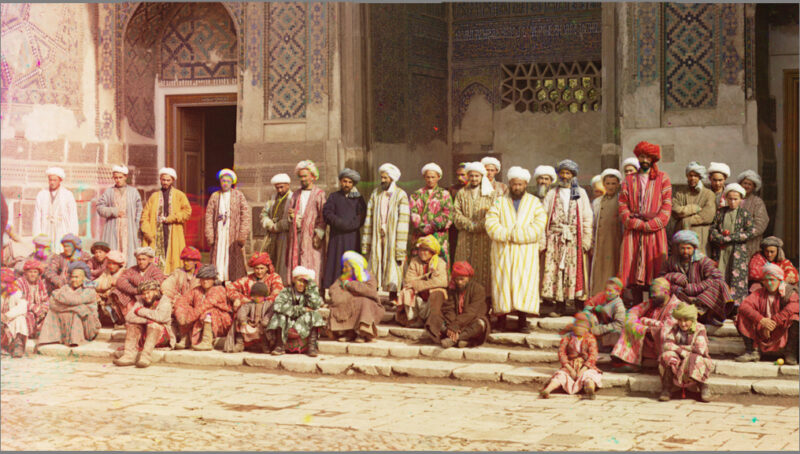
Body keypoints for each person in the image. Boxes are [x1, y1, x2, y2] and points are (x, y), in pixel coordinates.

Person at [486, 166, 547, 332]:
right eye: (514, 184)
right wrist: (506, 234)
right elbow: (491, 222)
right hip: (503, 250)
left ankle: (522, 321)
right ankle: (501, 320)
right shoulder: (499, 201)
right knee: (502, 283)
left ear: (526, 184)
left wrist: (519, 236)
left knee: (524, 283)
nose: (517, 187)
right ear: (510, 184)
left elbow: (539, 224)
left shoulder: (534, 203)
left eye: (520, 184)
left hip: (524, 252)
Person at [618, 142, 673, 295]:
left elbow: (667, 205)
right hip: (633, 230)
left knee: (655, 266)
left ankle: (654, 303)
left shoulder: (663, 179)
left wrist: (652, 224)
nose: (644, 160)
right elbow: (622, 203)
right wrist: (633, 222)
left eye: (647, 157)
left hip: (654, 232)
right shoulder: (629, 180)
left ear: (653, 159)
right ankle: (632, 303)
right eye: (641, 156)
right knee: (631, 266)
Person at [540, 160, 593, 317]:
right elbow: (543, 217)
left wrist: (586, 239)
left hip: (574, 239)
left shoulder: (579, 193)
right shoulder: (552, 193)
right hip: (555, 239)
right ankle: (560, 306)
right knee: (557, 271)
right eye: (562, 173)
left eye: (568, 173)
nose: (564, 176)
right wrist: (543, 239)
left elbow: (586, 216)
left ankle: (578, 306)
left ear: (573, 175)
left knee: (576, 271)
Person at [660, 230, 732, 326]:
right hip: (682, 297)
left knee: (720, 284)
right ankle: (681, 316)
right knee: (661, 286)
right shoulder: (672, 261)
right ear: (678, 248)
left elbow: (716, 278)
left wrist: (695, 288)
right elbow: (660, 278)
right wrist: (672, 276)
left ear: (694, 248)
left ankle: (706, 316)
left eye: (688, 248)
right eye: (682, 248)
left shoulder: (703, 261)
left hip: (702, 300)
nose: (685, 251)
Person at [610, 278, 681, 372]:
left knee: (648, 330)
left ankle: (631, 362)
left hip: (664, 340)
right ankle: (627, 361)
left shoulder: (677, 306)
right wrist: (635, 322)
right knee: (630, 326)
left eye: (655, 292)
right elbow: (633, 311)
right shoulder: (652, 302)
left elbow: (666, 328)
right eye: (651, 292)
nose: (652, 295)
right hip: (649, 335)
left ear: (666, 292)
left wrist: (644, 322)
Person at [361, 163, 409, 299]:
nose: (382, 180)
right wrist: (366, 242)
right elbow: (369, 219)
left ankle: (393, 297)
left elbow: (403, 222)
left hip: (393, 237)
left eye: (385, 178)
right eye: (381, 177)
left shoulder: (401, 195)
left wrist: (400, 248)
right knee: (375, 265)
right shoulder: (376, 194)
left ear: (392, 179)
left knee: (393, 266)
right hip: (377, 236)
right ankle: (373, 297)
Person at [735, 263, 798, 364]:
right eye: (766, 280)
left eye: (772, 280)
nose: (769, 283)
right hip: (763, 334)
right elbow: (743, 306)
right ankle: (752, 351)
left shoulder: (788, 292)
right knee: (742, 315)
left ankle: (791, 353)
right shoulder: (759, 292)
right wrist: (761, 320)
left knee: (795, 317)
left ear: (779, 280)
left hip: (781, 331)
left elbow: (795, 306)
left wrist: (773, 322)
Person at [453, 162, 499, 299]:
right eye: (471, 176)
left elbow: (494, 213)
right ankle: (462, 301)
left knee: (483, 269)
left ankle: (484, 302)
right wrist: (468, 225)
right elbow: (456, 213)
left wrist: (479, 225)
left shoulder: (491, 194)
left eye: (477, 176)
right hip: (465, 236)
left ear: (482, 176)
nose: (474, 179)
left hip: (483, 237)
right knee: (463, 267)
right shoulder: (461, 193)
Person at [223, 252, 284, 353]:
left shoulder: (274, 277)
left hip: (267, 309)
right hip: (250, 310)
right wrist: (240, 299)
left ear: (267, 268)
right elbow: (230, 288)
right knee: (240, 313)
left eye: (262, 268)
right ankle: (240, 343)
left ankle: (267, 344)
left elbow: (277, 293)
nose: (259, 271)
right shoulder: (247, 279)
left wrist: (263, 302)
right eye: (257, 268)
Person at [709, 183, 756, 306]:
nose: (733, 202)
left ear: (741, 199)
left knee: (736, 277)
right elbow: (713, 229)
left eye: (736, 199)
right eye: (730, 198)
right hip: (722, 250)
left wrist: (730, 238)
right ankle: (719, 305)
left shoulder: (745, 214)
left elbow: (750, 232)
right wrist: (719, 237)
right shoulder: (720, 212)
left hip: (737, 251)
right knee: (721, 273)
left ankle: (735, 308)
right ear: (726, 198)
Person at [35, 261, 101, 348]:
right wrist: (75, 308)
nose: (73, 280)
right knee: (54, 312)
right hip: (73, 315)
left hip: (89, 325)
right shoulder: (67, 287)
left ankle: (75, 340)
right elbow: (52, 303)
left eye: (76, 277)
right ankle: (52, 338)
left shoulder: (90, 289)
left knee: (78, 313)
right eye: (72, 277)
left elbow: (76, 300)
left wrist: (59, 297)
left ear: (84, 278)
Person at [140, 167, 192, 275]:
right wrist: (148, 233)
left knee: (173, 254)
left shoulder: (179, 195)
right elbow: (144, 216)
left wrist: (170, 218)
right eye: (163, 180)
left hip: (173, 231)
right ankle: (156, 276)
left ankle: (172, 278)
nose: (165, 182)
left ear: (172, 180)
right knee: (156, 257)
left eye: (168, 180)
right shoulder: (154, 197)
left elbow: (187, 212)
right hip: (156, 232)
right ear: (160, 179)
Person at [658, 302, 713, 402]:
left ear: (692, 320)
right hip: (679, 357)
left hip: (696, 358)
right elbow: (667, 344)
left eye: (686, 320)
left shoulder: (700, 329)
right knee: (667, 356)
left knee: (696, 359)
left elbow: (699, 349)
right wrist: (681, 351)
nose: (682, 324)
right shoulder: (675, 328)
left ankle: (703, 387)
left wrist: (679, 347)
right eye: (680, 320)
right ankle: (667, 388)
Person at [539, 312, 602, 399]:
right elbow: (561, 353)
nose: (579, 329)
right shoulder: (567, 337)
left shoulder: (590, 338)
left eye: (582, 327)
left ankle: (590, 390)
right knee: (560, 376)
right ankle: (547, 390)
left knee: (588, 376)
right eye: (577, 326)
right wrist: (570, 369)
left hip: (585, 366)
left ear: (586, 329)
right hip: (570, 364)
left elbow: (593, 355)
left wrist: (583, 369)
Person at [113, 280, 175, 368]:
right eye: (143, 293)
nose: (146, 296)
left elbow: (160, 317)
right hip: (145, 335)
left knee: (154, 325)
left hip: (162, 336)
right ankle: (129, 356)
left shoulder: (165, 301)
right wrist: (146, 320)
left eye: (148, 293)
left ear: (156, 291)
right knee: (132, 325)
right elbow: (129, 317)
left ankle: (145, 357)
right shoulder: (141, 301)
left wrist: (140, 311)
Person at [322, 168, 366, 289]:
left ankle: (352, 289)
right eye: (344, 181)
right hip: (337, 237)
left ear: (353, 184)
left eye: (349, 182)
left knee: (351, 263)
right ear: (340, 182)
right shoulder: (333, 197)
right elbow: (327, 213)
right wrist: (338, 223)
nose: (346, 184)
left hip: (352, 237)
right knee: (335, 263)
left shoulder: (359, 199)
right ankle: (334, 290)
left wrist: (348, 226)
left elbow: (361, 218)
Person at [267, 266, 325, 356]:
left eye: (305, 282)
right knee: (279, 315)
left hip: (302, 323)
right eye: (299, 281)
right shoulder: (286, 291)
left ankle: (311, 347)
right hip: (287, 323)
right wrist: (302, 309)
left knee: (315, 315)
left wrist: (311, 288)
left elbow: (316, 305)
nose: (302, 284)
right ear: (294, 280)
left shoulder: (309, 293)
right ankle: (280, 346)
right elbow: (278, 306)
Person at [429, 261, 490, 348]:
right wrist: (452, 326)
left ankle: (453, 340)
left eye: (462, 279)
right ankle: (461, 340)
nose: (459, 282)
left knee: (481, 324)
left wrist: (456, 325)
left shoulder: (478, 289)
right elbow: (449, 309)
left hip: (471, 320)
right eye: (457, 279)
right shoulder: (453, 289)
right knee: (434, 319)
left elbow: (471, 312)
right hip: (454, 323)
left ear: (468, 277)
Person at [328, 251, 384, 343]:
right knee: (345, 302)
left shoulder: (368, 276)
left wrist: (351, 285)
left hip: (370, 304)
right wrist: (345, 295)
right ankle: (349, 333)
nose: (344, 270)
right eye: (343, 267)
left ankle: (362, 333)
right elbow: (333, 289)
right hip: (349, 301)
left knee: (363, 302)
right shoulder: (344, 277)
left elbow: (370, 290)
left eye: (346, 267)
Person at [205, 169, 251, 282]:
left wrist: (242, 235)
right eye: (223, 181)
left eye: (228, 181)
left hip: (233, 234)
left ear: (232, 183)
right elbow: (209, 216)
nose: (225, 183)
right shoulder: (215, 196)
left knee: (233, 258)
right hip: (219, 232)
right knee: (219, 255)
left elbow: (245, 215)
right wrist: (210, 235)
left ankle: (234, 280)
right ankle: (218, 278)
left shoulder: (238, 195)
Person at [173, 264, 232, 351]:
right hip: (199, 318)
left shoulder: (219, 289)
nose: (205, 281)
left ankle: (206, 341)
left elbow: (206, 305)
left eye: (208, 279)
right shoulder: (196, 290)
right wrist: (181, 314)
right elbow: (183, 300)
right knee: (186, 308)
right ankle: (186, 339)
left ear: (213, 279)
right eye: (202, 279)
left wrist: (188, 318)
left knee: (208, 312)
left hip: (219, 320)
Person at [286, 160, 327, 285]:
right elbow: (291, 212)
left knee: (313, 261)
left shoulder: (319, 194)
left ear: (312, 177)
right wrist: (291, 216)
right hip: (297, 234)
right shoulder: (296, 194)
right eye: (301, 176)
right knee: (298, 261)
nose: (302, 179)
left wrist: (318, 235)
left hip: (311, 236)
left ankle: (314, 289)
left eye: (305, 176)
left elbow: (323, 216)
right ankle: (299, 289)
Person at [398, 235, 448, 328]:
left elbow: (441, 282)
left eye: (425, 250)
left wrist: (418, 284)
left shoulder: (440, 263)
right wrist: (426, 277)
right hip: (419, 293)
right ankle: (413, 319)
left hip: (431, 292)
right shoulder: (415, 261)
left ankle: (430, 320)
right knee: (406, 291)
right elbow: (408, 280)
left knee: (437, 292)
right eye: (420, 250)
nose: (421, 253)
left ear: (432, 252)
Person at [97, 165, 142, 267]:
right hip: (113, 227)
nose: (118, 180)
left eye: (120, 177)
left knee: (129, 253)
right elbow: (99, 207)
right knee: (113, 251)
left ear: (125, 177)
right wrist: (114, 211)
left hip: (129, 228)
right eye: (115, 178)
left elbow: (139, 210)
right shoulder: (109, 192)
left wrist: (135, 226)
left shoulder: (133, 192)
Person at [409, 163, 454, 263]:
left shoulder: (445, 194)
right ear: (424, 177)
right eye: (428, 177)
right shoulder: (417, 194)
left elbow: (448, 215)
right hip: (420, 236)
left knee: (438, 263)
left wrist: (432, 226)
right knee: (419, 263)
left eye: (433, 177)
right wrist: (423, 228)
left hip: (438, 235)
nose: (430, 180)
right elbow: (414, 213)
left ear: (438, 177)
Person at [109, 247, 166, 325]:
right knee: (117, 291)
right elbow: (120, 281)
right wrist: (134, 290)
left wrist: (138, 284)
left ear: (150, 259)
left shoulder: (156, 270)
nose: (141, 262)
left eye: (143, 259)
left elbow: (156, 283)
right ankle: (126, 318)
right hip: (135, 296)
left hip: (149, 298)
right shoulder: (132, 269)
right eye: (139, 259)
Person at [671, 162, 716, 256]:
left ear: (700, 177)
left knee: (699, 263)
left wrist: (686, 220)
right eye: (690, 175)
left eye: (695, 176)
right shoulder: (680, 194)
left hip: (700, 234)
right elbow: (674, 210)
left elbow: (708, 215)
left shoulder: (708, 194)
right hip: (681, 233)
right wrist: (691, 209)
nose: (692, 178)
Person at [589, 168, 623, 295]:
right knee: (599, 269)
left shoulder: (621, 201)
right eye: (608, 183)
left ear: (618, 185)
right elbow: (592, 223)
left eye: (613, 183)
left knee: (613, 268)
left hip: (615, 242)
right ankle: (598, 295)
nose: (610, 186)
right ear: (603, 184)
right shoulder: (597, 202)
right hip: (600, 242)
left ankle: (613, 296)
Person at [32, 167, 79, 255]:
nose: (52, 182)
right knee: (46, 253)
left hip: (62, 229)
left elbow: (73, 216)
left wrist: (73, 235)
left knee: (60, 252)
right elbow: (37, 216)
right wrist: (37, 236)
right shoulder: (41, 194)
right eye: (50, 180)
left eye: (55, 180)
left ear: (60, 180)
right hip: (46, 228)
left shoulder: (67, 195)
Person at [261, 173, 293, 283]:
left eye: (282, 187)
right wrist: (269, 224)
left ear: (288, 185)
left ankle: (282, 284)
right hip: (271, 235)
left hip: (285, 235)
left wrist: (279, 226)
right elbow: (264, 214)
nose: (279, 190)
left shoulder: (292, 198)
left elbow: (293, 218)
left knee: (283, 261)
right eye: (277, 187)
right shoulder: (272, 199)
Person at [582, 277, 627, 350]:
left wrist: (600, 329)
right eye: (606, 290)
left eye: (610, 291)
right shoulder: (607, 299)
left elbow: (619, 324)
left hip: (610, 333)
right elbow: (588, 306)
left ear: (618, 292)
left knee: (616, 335)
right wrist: (593, 309)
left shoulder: (619, 306)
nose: (607, 293)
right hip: (603, 329)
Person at [737, 170, 769, 259]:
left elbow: (761, 222)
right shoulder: (734, 199)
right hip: (733, 240)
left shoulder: (757, 202)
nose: (746, 186)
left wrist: (745, 234)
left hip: (751, 242)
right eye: (745, 183)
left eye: (749, 184)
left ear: (754, 187)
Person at [14, 260, 49, 339]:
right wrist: (35, 308)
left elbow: (46, 300)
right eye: (30, 272)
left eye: (35, 272)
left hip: (39, 311)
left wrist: (44, 309)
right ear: (26, 273)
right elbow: (19, 301)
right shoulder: (19, 283)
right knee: (29, 316)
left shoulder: (41, 283)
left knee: (49, 316)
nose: (33, 274)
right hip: (23, 310)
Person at [1, 268, 30, 357]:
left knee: (20, 318)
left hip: (9, 321)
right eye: (2, 282)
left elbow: (23, 306)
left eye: (6, 282)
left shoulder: (16, 292)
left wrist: (7, 316)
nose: (3, 285)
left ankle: (18, 345)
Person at [94, 250, 126, 327]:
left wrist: (107, 287)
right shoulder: (106, 272)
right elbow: (96, 283)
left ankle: (118, 320)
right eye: (109, 263)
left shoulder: (125, 273)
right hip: (105, 301)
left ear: (119, 264)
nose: (111, 266)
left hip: (118, 305)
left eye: (114, 263)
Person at [447, 163, 469, 267]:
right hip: (455, 228)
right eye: (458, 175)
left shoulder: (476, 188)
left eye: (463, 175)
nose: (460, 178)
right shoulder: (453, 189)